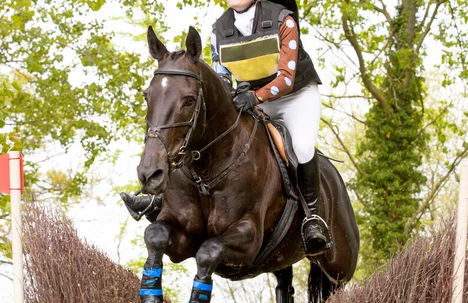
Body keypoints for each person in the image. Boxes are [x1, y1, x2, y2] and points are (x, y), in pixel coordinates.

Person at [122, 0, 328, 255]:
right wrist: (236, 94)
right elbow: (222, 77)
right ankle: (159, 199)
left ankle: (312, 218)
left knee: (302, 147)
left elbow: (286, 78)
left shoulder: (284, 20)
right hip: (250, 97)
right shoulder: (219, 29)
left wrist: (255, 97)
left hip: (294, 96)